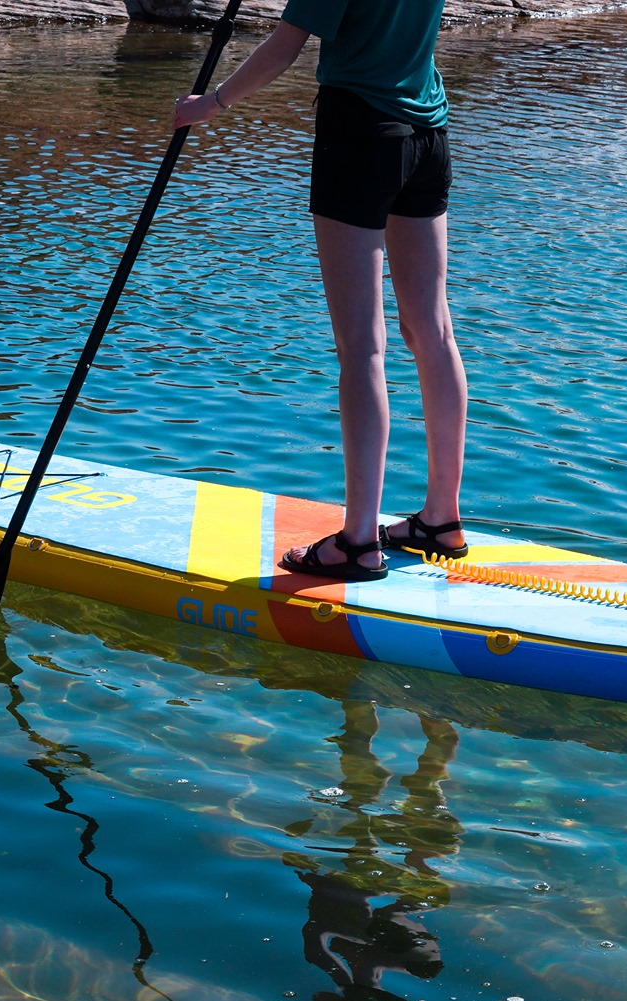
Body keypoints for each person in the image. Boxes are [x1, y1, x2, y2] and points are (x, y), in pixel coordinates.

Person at [172, 0, 472, 581]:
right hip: (429, 135)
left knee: (362, 347)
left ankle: (358, 542)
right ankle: (441, 518)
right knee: (432, 330)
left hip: (359, 134)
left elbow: (282, 49)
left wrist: (209, 105)